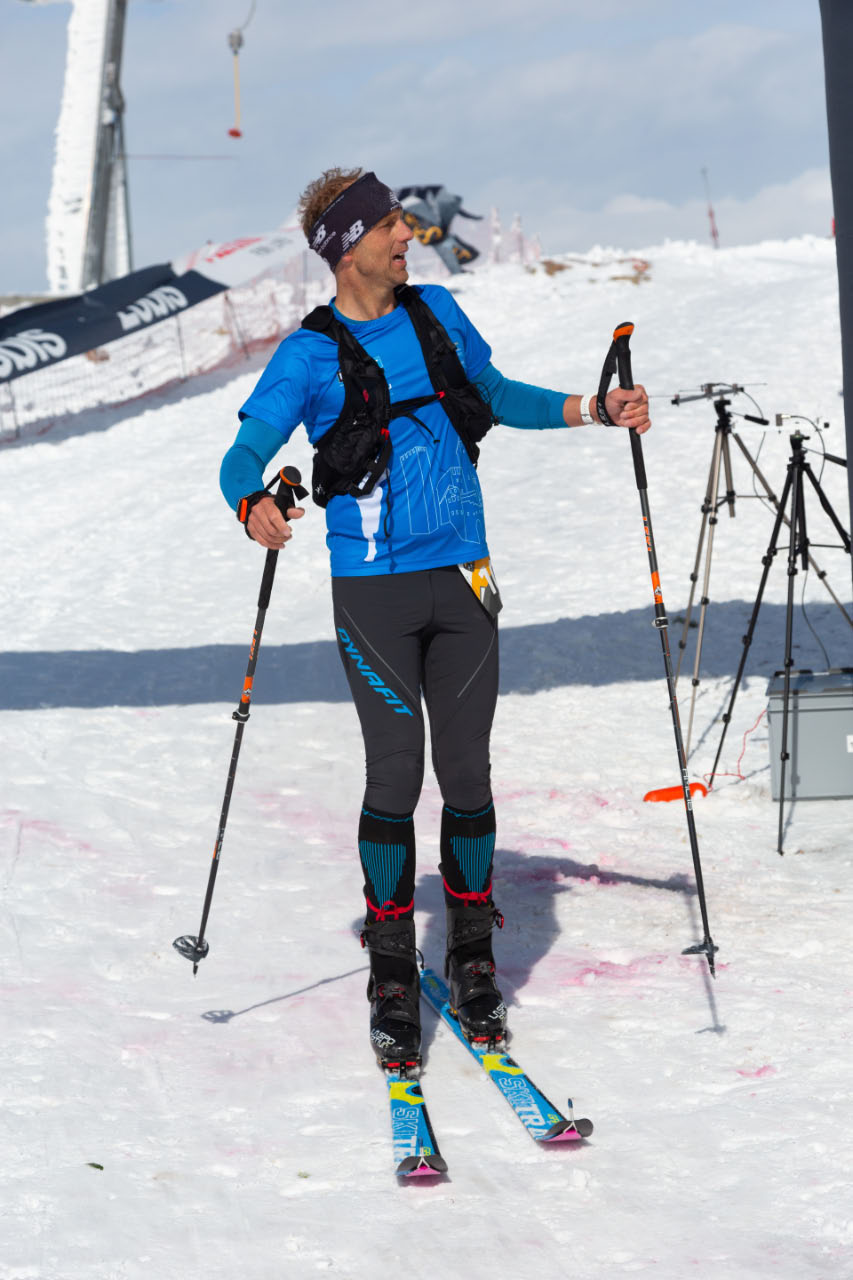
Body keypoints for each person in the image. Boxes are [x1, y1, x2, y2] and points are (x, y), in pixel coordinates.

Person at [220, 167, 650, 1071]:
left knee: (465, 772)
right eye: (388, 225)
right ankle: (389, 968)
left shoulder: (439, 314)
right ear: (348, 248)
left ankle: (470, 954)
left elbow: (496, 395)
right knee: (393, 774)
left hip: (463, 578)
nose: (406, 235)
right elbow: (244, 451)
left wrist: (593, 409)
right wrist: (251, 502)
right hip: (373, 590)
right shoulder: (308, 356)